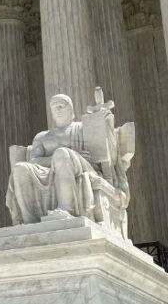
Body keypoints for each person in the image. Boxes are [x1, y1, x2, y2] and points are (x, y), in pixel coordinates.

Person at [6, 94, 108, 224]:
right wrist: (56, 160)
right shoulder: (42, 137)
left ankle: (66, 209)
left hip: (82, 167)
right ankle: (30, 219)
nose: (57, 110)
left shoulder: (83, 128)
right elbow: (34, 161)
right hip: (49, 170)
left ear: (70, 109)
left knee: (62, 154)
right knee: (20, 168)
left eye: (61, 106)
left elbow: (97, 155)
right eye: (54, 108)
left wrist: (103, 121)